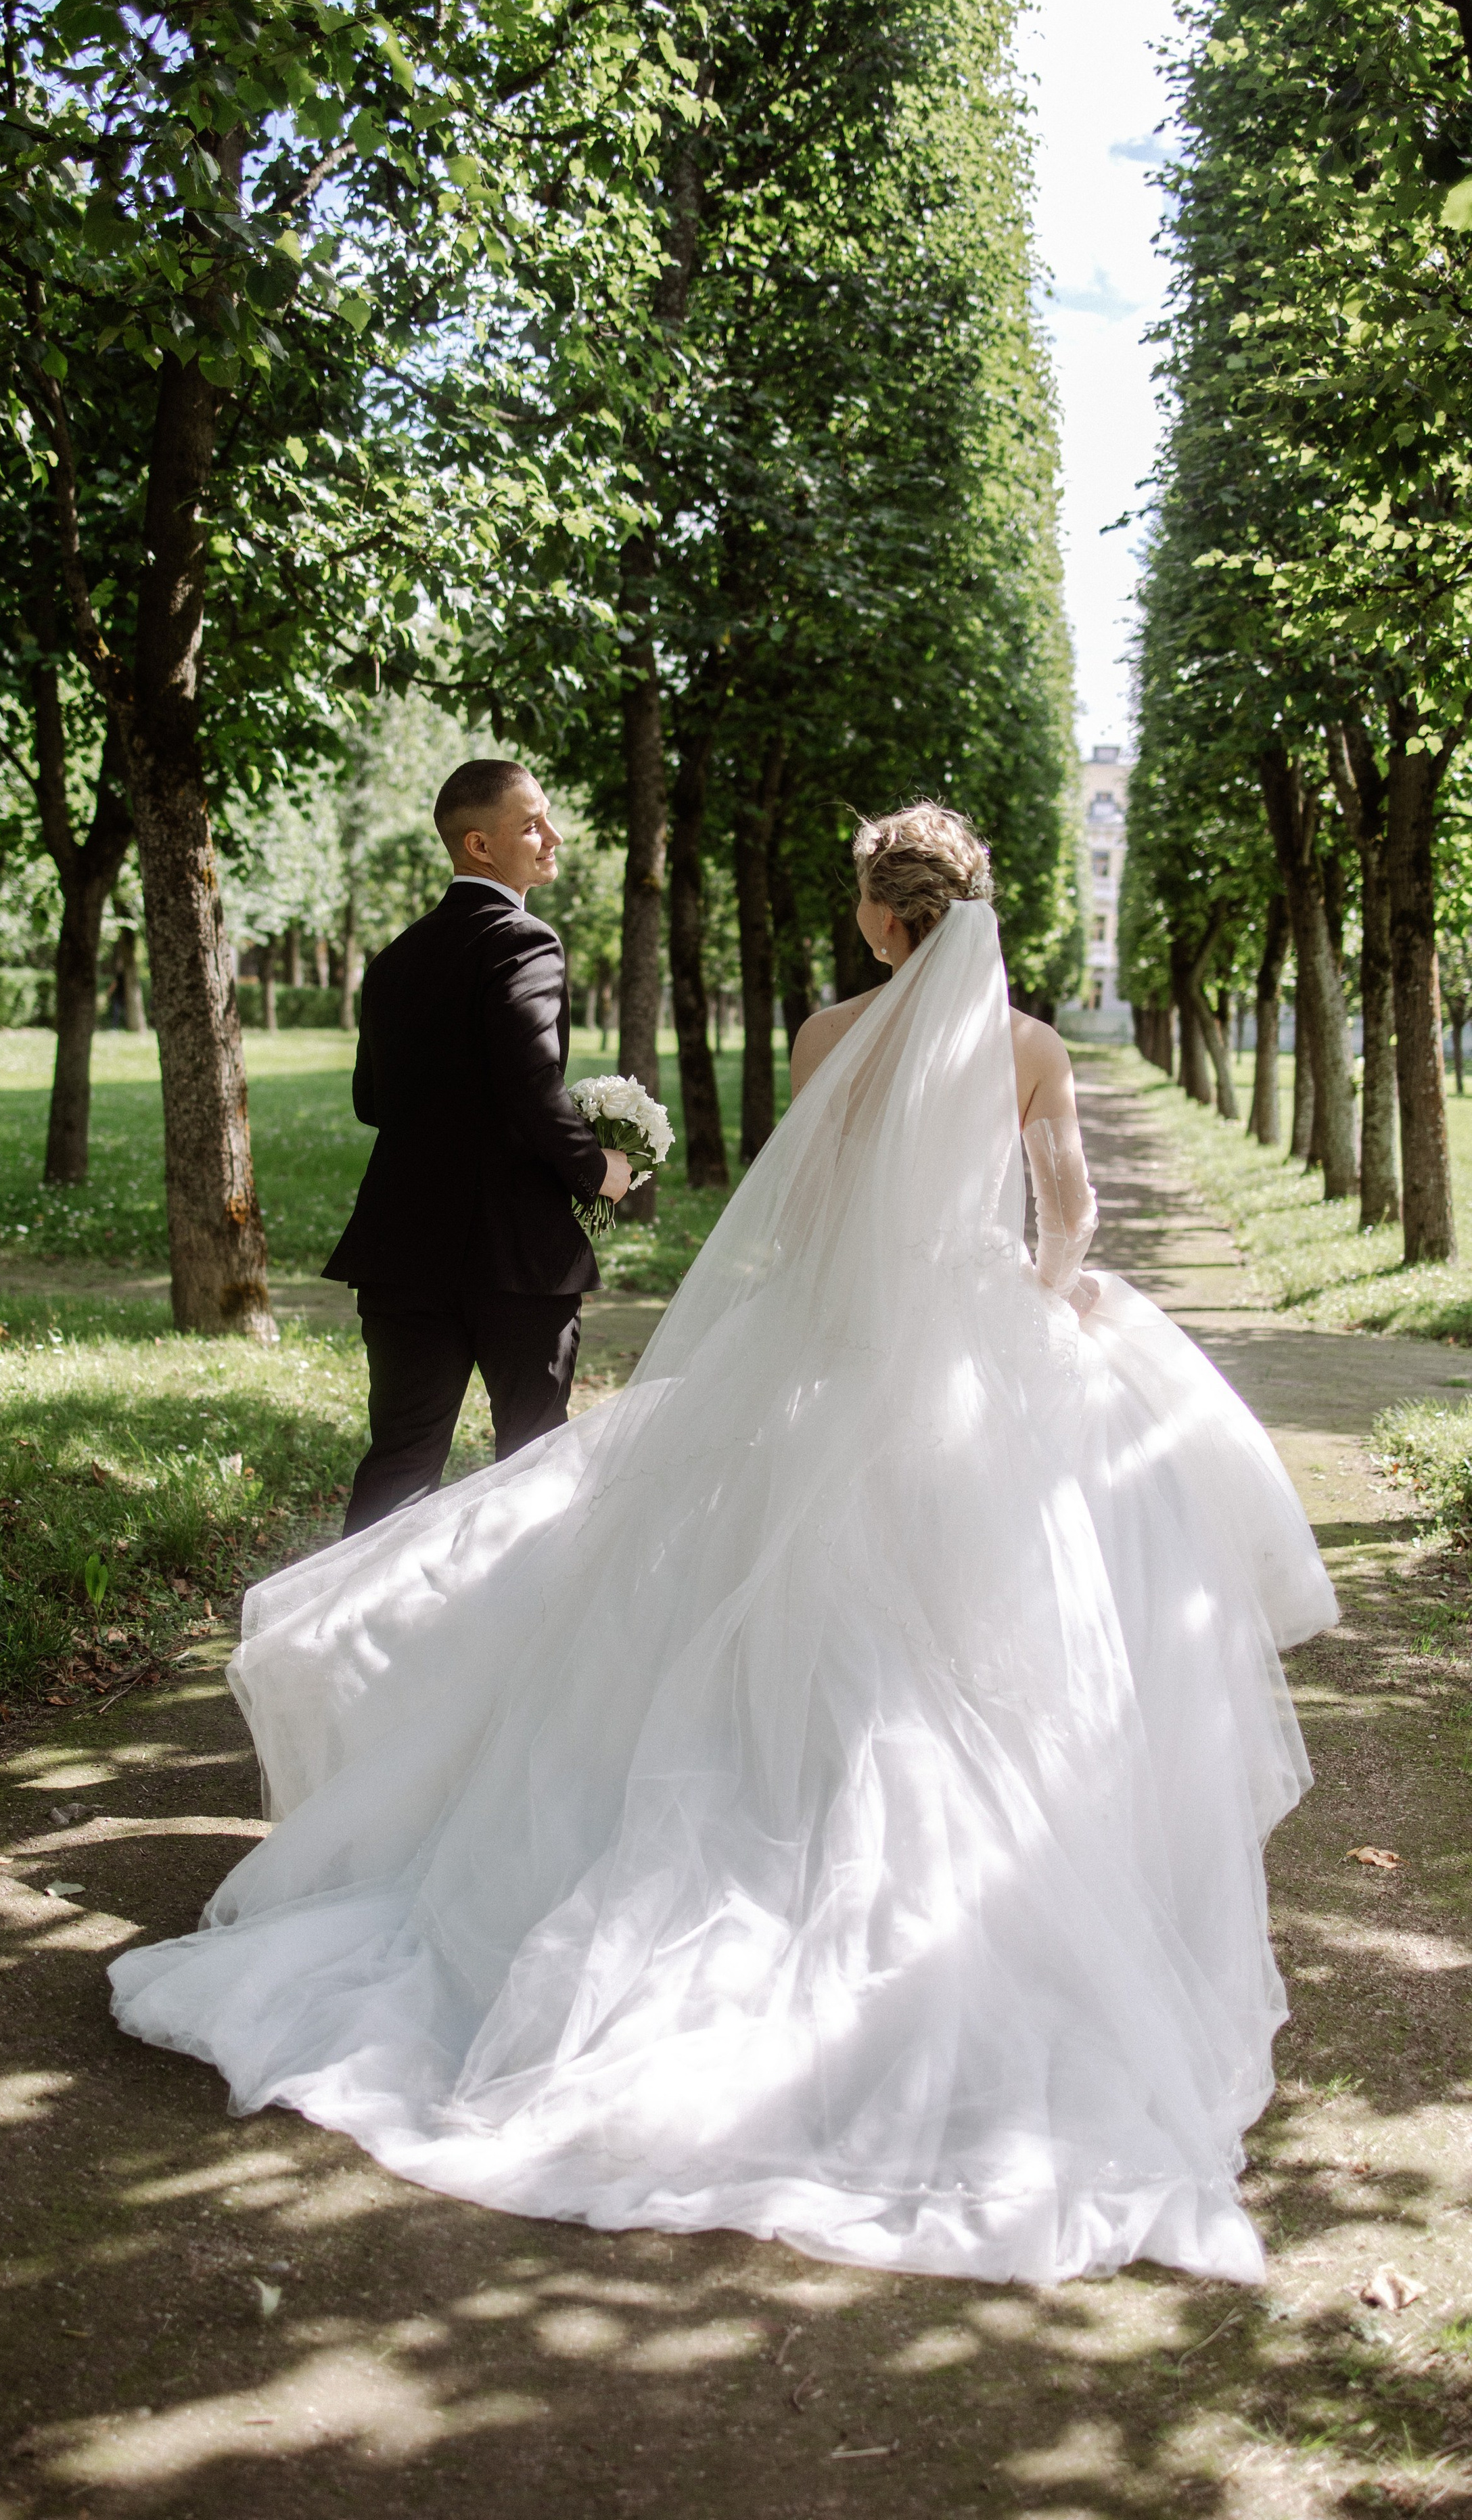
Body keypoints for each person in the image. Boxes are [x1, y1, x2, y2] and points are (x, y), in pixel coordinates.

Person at [112, 801, 1334, 2289]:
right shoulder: (1025, 1049)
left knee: (753, 1615)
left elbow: (810, 1221)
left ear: (879, 922)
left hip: (824, 1360)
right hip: (971, 1359)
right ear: (970, 913)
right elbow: (1064, 1212)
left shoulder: (827, 1038)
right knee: (992, 1644)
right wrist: (1042, 1297)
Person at [321, 758, 632, 1534]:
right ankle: (530, 1629)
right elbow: (532, 1088)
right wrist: (599, 1169)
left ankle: (340, 1635)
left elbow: (372, 1101)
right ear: (479, 846)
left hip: (404, 1243)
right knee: (532, 1453)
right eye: (531, 823)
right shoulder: (523, 942)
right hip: (515, 1253)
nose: (552, 836)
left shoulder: (395, 958)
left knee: (400, 1455)